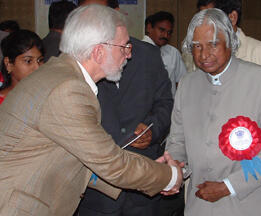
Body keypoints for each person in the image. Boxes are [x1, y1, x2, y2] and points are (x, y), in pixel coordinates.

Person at [0, 5, 183, 216]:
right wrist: (169, 177)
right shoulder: (67, 90)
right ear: (98, 52)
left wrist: (146, 172)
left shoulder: (59, 74)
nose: (128, 55)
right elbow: (112, 163)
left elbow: (86, 159)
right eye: (124, 47)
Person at [166, 8, 261, 216]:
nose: (204, 55)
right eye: (196, 46)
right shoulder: (187, 85)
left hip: (249, 204)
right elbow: (177, 141)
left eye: (213, 44)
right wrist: (175, 169)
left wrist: (229, 186)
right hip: (198, 206)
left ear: (230, 42)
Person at [75, 1, 175, 216]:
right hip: (96, 190)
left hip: (144, 187)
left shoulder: (147, 55)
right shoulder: (73, 62)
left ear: (116, 13)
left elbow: (165, 103)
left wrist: (153, 128)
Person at [183, 0, 261, 84]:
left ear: (232, 17)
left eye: (212, 18)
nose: (204, 24)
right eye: (200, 17)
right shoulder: (193, 52)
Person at [143, 11, 187, 97]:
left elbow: (182, 83)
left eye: (169, 32)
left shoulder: (173, 52)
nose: (166, 35)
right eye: (161, 30)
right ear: (149, 28)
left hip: (169, 107)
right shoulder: (137, 51)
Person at [0, 29, 44, 104]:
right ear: (9, 64)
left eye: (40, 60)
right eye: (28, 61)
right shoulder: (3, 103)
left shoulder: (45, 95)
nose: (37, 67)